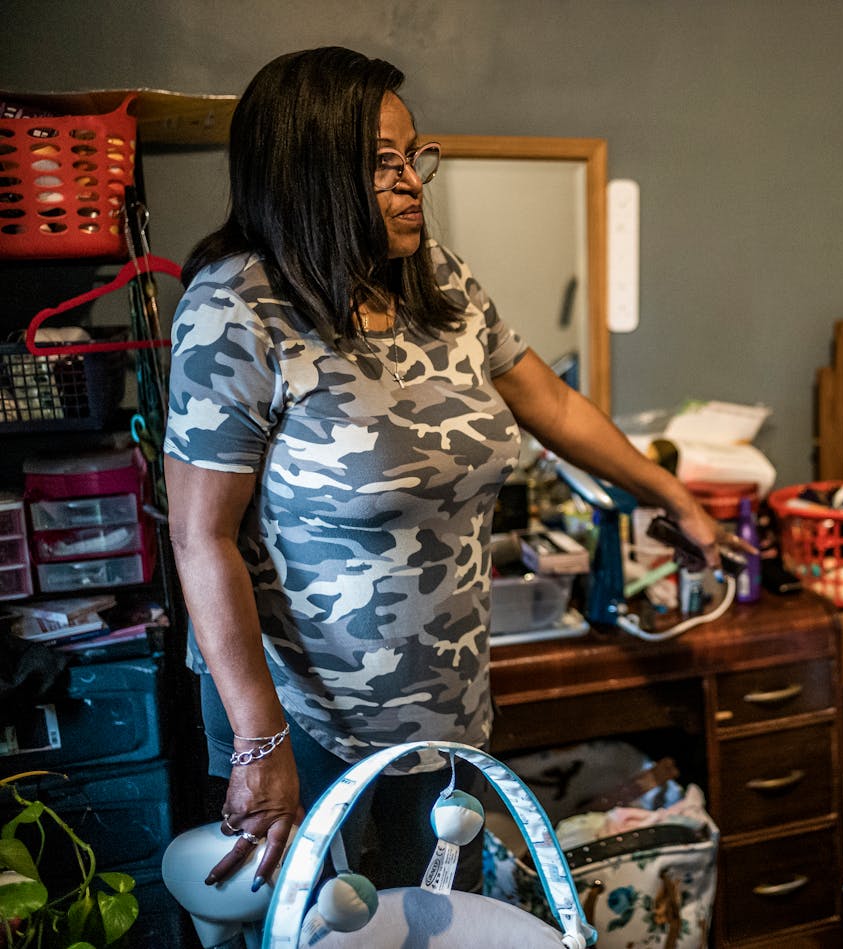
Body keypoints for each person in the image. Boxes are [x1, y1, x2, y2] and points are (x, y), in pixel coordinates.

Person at [163, 46, 731, 892]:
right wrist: (260, 740)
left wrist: (673, 495)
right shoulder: (237, 309)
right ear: (310, 172)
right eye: (382, 162)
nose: (412, 182)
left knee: (442, 920)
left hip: (445, 708)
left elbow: (555, 405)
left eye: (414, 155)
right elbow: (200, 536)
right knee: (323, 931)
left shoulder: (436, 281)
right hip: (305, 719)